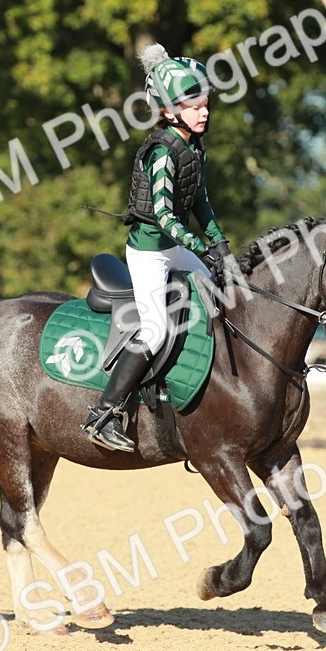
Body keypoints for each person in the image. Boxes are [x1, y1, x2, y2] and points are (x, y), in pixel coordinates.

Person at [82, 43, 232, 452]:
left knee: (224, 294)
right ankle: (103, 414)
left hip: (176, 246)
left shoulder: (195, 146)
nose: (204, 111)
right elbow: (165, 218)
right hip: (149, 252)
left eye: (205, 103)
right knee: (154, 329)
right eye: (194, 104)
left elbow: (200, 201)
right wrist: (201, 247)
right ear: (168, 110)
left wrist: (220, 243)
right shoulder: (162, 151)